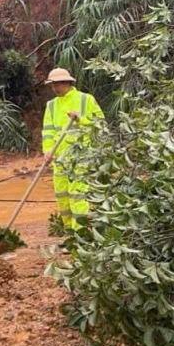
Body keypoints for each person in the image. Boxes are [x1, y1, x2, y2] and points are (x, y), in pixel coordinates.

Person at [41, 68, 103, 230]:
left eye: (56, 85)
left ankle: (80, 234)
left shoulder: (85, 99)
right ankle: (69, 232)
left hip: (82, 157)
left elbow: (100, 124)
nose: (54, 88)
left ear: (66, 83)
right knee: (62, 196)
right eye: (52, 85)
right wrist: (47, 151)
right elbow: (48, 130)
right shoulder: (51, 105)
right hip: (60, 159)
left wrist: (81, 119)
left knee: (78, 196)